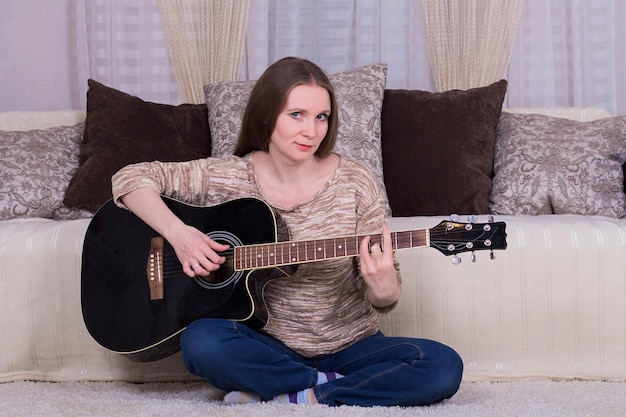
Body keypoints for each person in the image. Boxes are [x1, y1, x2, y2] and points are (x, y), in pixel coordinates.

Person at [111, 56, 463, 407]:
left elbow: (383, 289)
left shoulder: (355, 181)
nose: (311, 131)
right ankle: (333, 389)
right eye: (297, 115)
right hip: (263, 344)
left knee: (442, 366)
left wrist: (385, 291)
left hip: (350, 346)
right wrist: (180, 234)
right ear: (267, 115)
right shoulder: (228, 176)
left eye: (321, 117)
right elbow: (129, 178)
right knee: (202, 342)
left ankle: (295, 391)